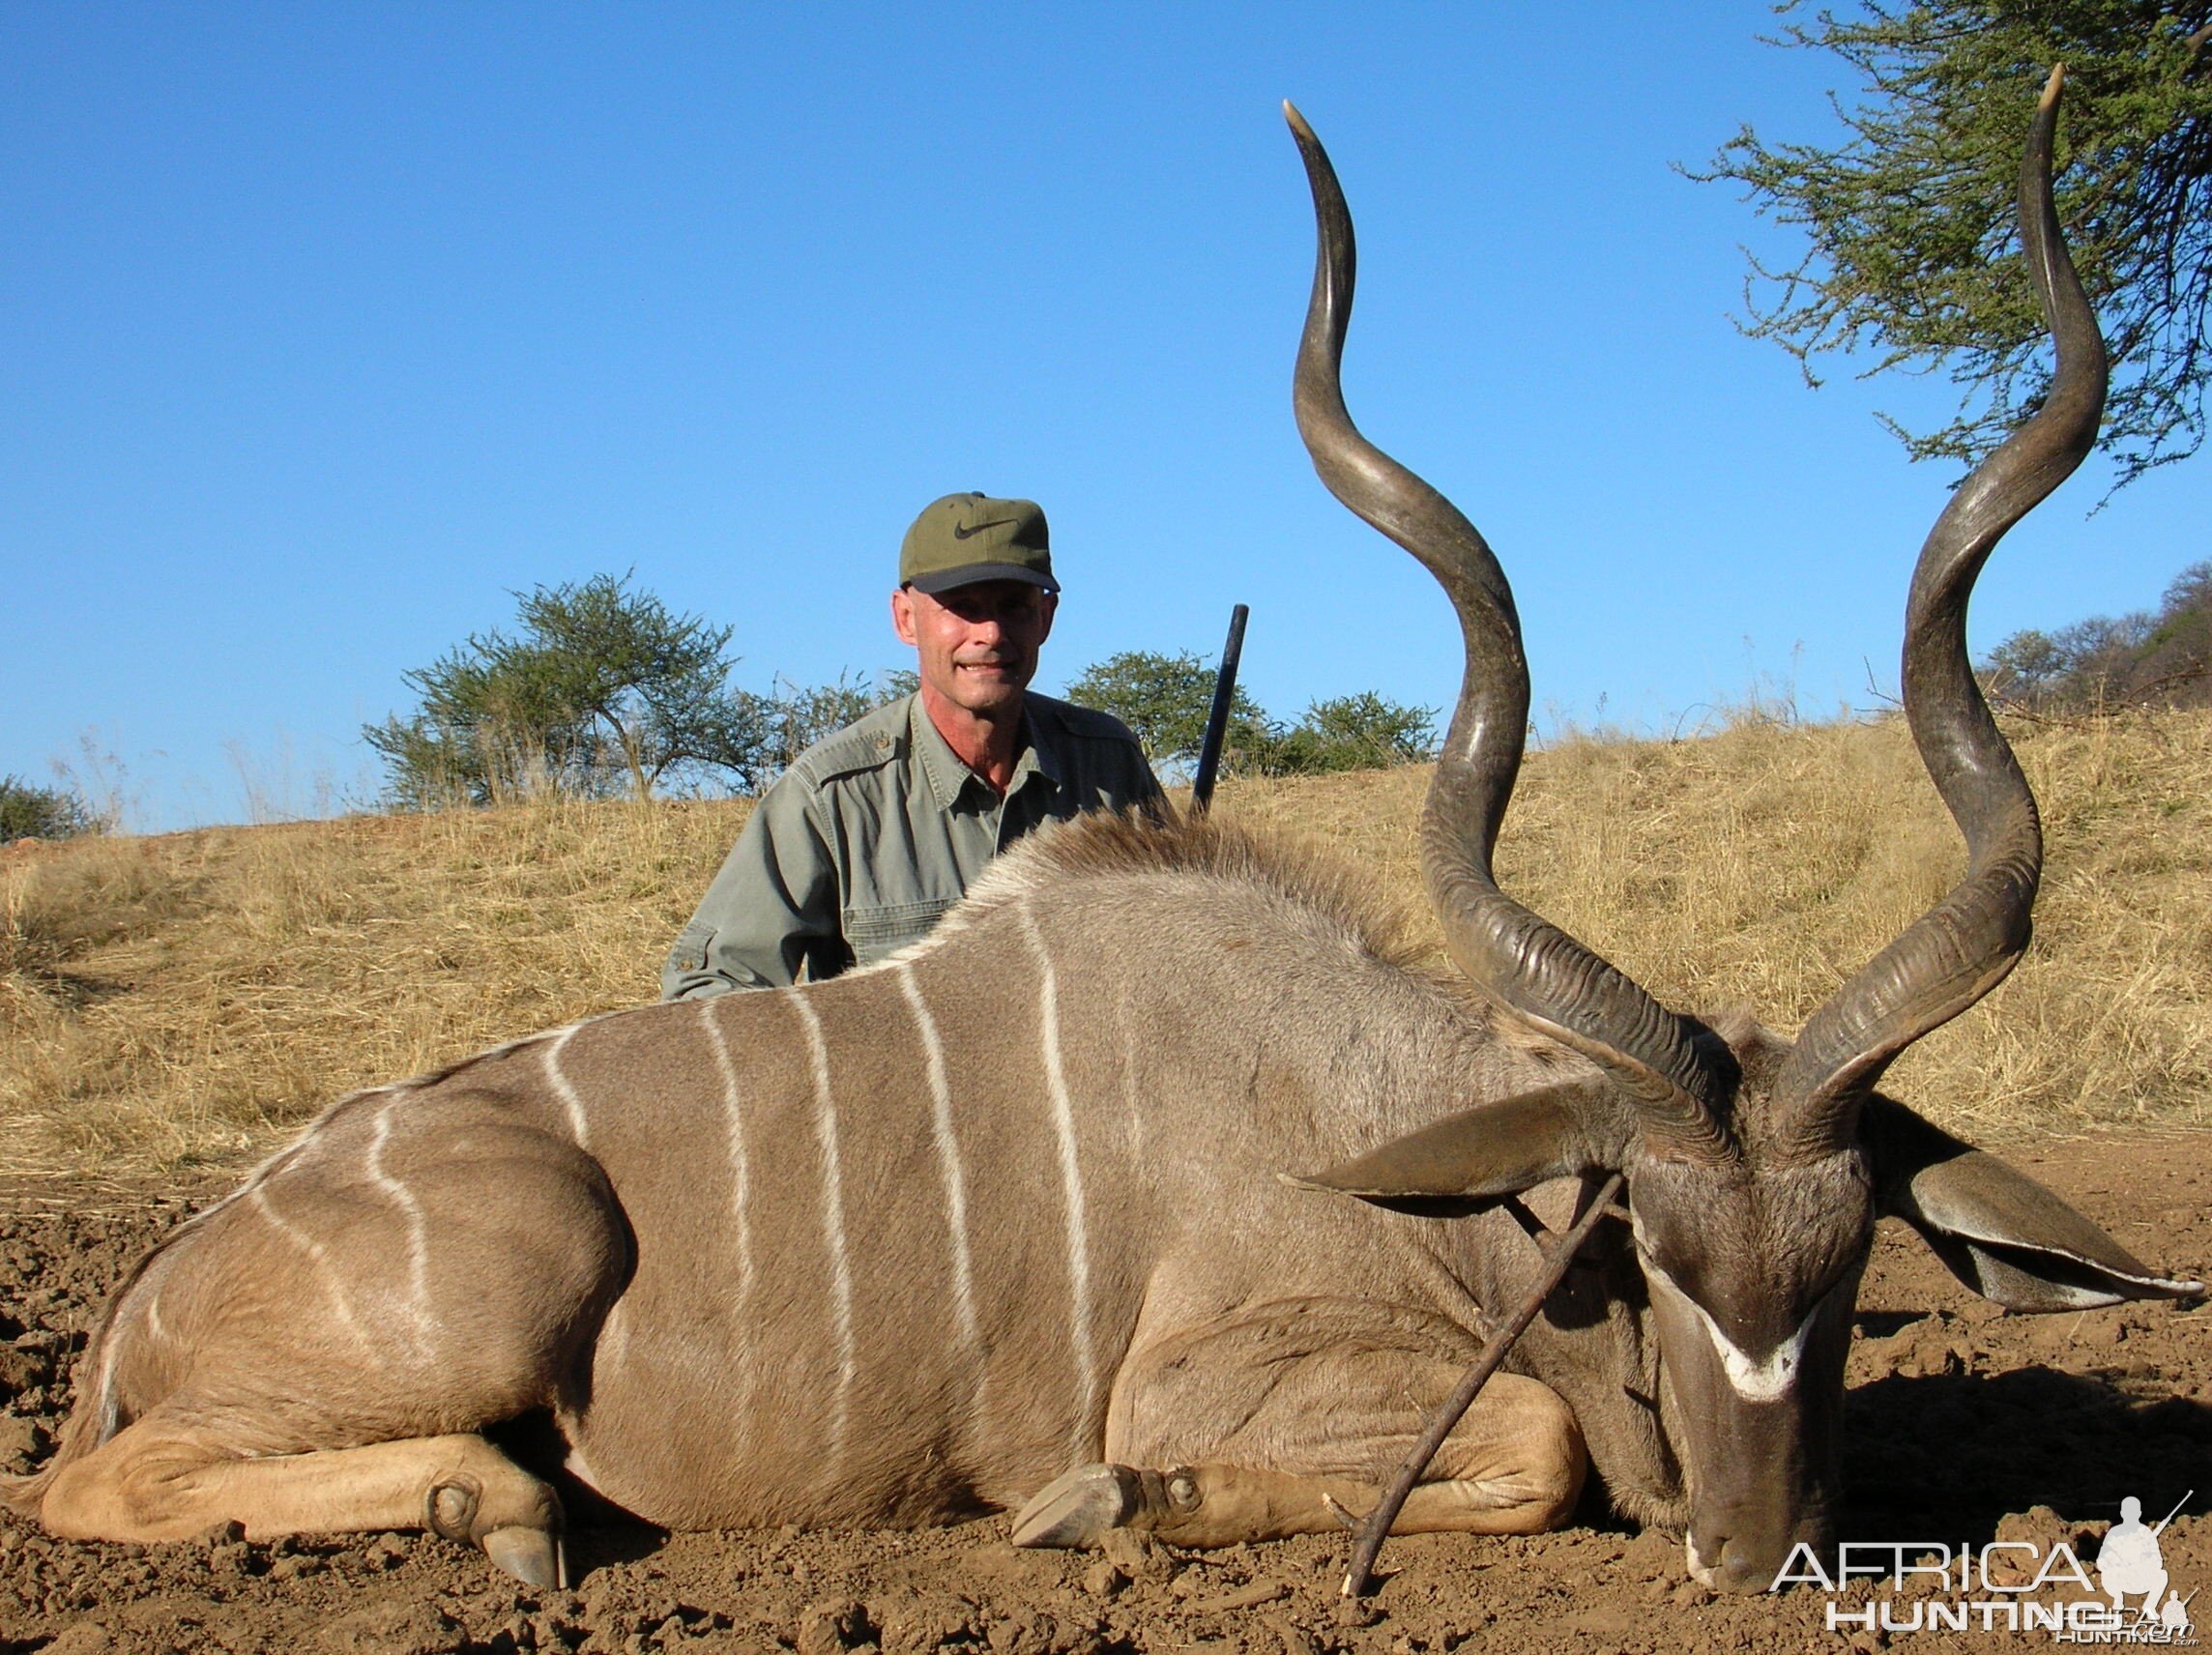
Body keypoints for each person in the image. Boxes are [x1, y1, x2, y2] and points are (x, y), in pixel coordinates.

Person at [661, 491, 1165, 999]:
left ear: (1045, 619)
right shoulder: (833, 794)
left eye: (1013, 607)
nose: (990, 633)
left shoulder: (1108, 763)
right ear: (905, 618)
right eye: (961, 608)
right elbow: (708, 984)